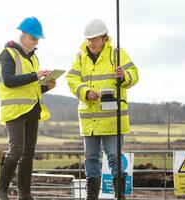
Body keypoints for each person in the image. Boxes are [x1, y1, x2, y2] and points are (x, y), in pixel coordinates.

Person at [66, 19, 139, 200]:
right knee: (90, 158)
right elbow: (71, 79)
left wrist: (125, 76)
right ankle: (92, 197)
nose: (91, 43)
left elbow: (135, 74)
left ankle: (119, 196)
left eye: (95, 39)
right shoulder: (80, 57)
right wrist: (86, 91)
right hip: (89, 119)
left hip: (112, 119)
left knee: (114, 157)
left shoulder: (117, 54)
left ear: (105, 38)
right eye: (89, 39)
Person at [0, 16, 56, 200]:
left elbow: (32, 88)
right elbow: (9, 80)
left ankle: (25, 194)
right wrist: (35, 76)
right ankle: (1, 193)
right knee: (16, 150)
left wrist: (46, 86)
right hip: (14, 112)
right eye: (33, 38)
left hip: (32, 110)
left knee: (28, 153)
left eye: (38, 38)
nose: (36, 42)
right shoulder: (8, 53)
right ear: (22, 35)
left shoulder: (34, 58)